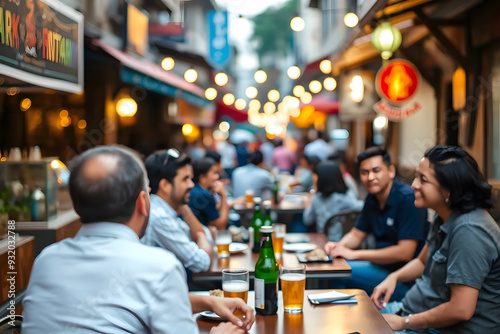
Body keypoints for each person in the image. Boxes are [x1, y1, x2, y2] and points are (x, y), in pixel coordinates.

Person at [21, 145, 254, 333]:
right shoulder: (160, 267)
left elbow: (124, 300)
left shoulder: (46, 261)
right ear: (143, 202)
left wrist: (209, 302)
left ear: (76, 207)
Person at [371, 145, 500, 334]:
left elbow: (461, 310)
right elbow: (423, 262)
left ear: (448, 190)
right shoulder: (444, 216)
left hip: (434, 328)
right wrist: (393, 277)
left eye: (423, 180)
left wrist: (404, 322)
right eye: (416, 176)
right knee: (353, 315)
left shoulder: (470, 231)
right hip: (410, 311)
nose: (414, 184)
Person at [324, 146, 428, 300]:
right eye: (364, 173)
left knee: (337, 273)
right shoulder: (372, 198)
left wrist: (354, 254)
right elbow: (356, 234)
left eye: (376, 170)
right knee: (333, 267)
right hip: (379, 268)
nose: (370, 177)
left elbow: (405, 252)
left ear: (391, 171)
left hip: (404, 279)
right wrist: (339, 246)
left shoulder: (408, 199)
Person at [141, 149, 213, 273]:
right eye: (185, 179)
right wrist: (200, 234)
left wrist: (188, 213)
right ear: (165, 185)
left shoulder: (166, 209)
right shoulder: (160, 216)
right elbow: (202, 262)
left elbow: (209, 239)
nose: (191, 185)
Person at [303, 161, 364, 240]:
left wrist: (308, 202)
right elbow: (362, 207)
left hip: (324, 241)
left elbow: (307, 220)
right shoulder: (344, 197)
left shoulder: (317, 198)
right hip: (344, 241)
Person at [189, 157, 230, 230]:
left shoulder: (195, 190)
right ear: (202, 177)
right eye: (214, 173)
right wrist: (223, 195)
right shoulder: (203, 195)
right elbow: (221, 226)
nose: (217, 177)